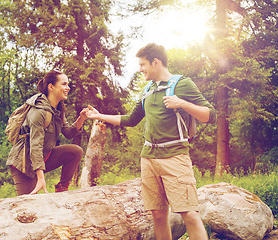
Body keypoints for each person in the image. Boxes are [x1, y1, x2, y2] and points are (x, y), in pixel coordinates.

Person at [86, 43, 216, 240]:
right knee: (158, 214)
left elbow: (210, 115)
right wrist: (99, 116)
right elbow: (131, 119)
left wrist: (181, 103)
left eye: (142, 64)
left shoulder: (182, 84)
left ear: (156, 62)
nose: (140, 69)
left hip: (175, 158)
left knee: (189, 213)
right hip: (148, 158)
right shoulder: (148, 89)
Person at [6, 69, 89, 195]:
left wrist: (82, 118)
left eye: (68, 84)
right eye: (64, 84)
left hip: (43, 157)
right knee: (27, 206)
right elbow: (35, 146)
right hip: (23, 164)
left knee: (76, 151)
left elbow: (68, 133)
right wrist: (40, 178)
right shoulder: (39, 111)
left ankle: (62, 190)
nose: (68, 88)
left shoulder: (58, 109)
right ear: (51, 87)